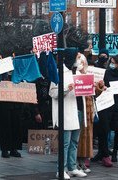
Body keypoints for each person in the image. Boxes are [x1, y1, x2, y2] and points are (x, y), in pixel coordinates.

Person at [50, 48, 87, 179]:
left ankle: (72, 167)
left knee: (74, 142)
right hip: (66, 111)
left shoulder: (78, 73)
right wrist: (66, 89)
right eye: (77, 57)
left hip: (79, 110)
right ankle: (61, 169)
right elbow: (52, 92)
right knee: (65, 143)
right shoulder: (59, 73)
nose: (79, 60)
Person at [75, 53, 94, 173]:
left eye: (82, 62)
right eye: (79, 61)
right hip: (79, 109)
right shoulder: (74, 75)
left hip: (88, 111)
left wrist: (100, 87)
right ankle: (77, 162)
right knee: (77, 137)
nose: (81, 64)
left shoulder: (88, 75)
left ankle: (82, 161)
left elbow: (94, 93)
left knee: (86, 138)